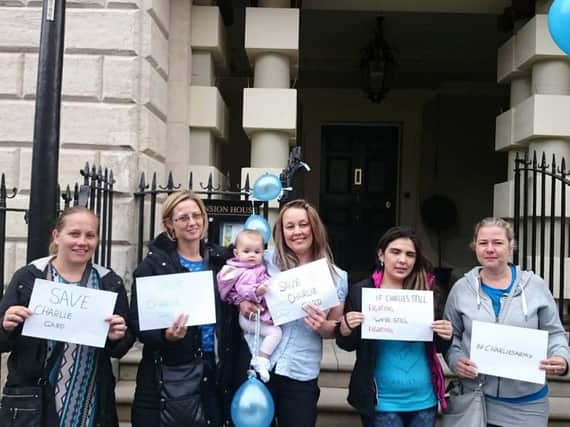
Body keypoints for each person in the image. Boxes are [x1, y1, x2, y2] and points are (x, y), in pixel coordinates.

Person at [0, 206, 133, 427]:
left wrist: (117, 336)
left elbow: (121, 347)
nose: (82, 242)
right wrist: (6, 326)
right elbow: (2, 340)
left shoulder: (109, 282)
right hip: (33, 404)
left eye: (90, 235)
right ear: (56, 236)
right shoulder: (29, 277)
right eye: (74, 234)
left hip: (90, 402)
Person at [444, 217, 570, 427]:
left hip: (527, 405)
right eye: (483, 243)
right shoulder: (461, 288)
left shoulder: (535, 286)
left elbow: (555, 332)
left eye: (498, 243)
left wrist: (561, 357)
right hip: (475, 399)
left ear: (511, 247)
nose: (490, 249)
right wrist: (456, 360)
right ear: (475, 247)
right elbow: (451, 336)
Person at [129, 190, 238, 427]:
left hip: (217, 367)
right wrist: (165, 336)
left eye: (196, 215)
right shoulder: (152, 266)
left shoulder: (222, 261)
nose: (192, 223)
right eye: (183, 218)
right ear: (169, 223)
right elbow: (138, 323)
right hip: (175, 371)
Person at [237, 199, 348, 427]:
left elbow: (334, 328)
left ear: (314, 228)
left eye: (303, 224)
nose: (297, 231)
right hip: (259, 362)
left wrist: (324, 327)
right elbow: (232, 284)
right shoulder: (263, 261)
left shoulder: (336, 276)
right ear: (282, 231)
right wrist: (242, 302)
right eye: (290, 226)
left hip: (300, 369)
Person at [336, 226, 452, 427]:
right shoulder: (362, 291)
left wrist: (445, 334)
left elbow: (440, 346)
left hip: (423, 399)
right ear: (381, 254)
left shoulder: (427, 291)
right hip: (381, 400)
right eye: (395, 252)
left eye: (410, 254)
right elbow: (348, 344)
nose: (402, 260)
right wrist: (345, 328)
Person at [217, 229, 281, 383]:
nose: (252, 255)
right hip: (248, 317)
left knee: (272, 332)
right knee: (275, 333)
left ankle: (261, 359)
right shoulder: (242, 271)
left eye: (257, 251)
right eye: (247, 251)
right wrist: (257, 291)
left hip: (257, 314)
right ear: (236, 253)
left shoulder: (256, 268)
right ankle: (262, 360)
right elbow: (243, 289)